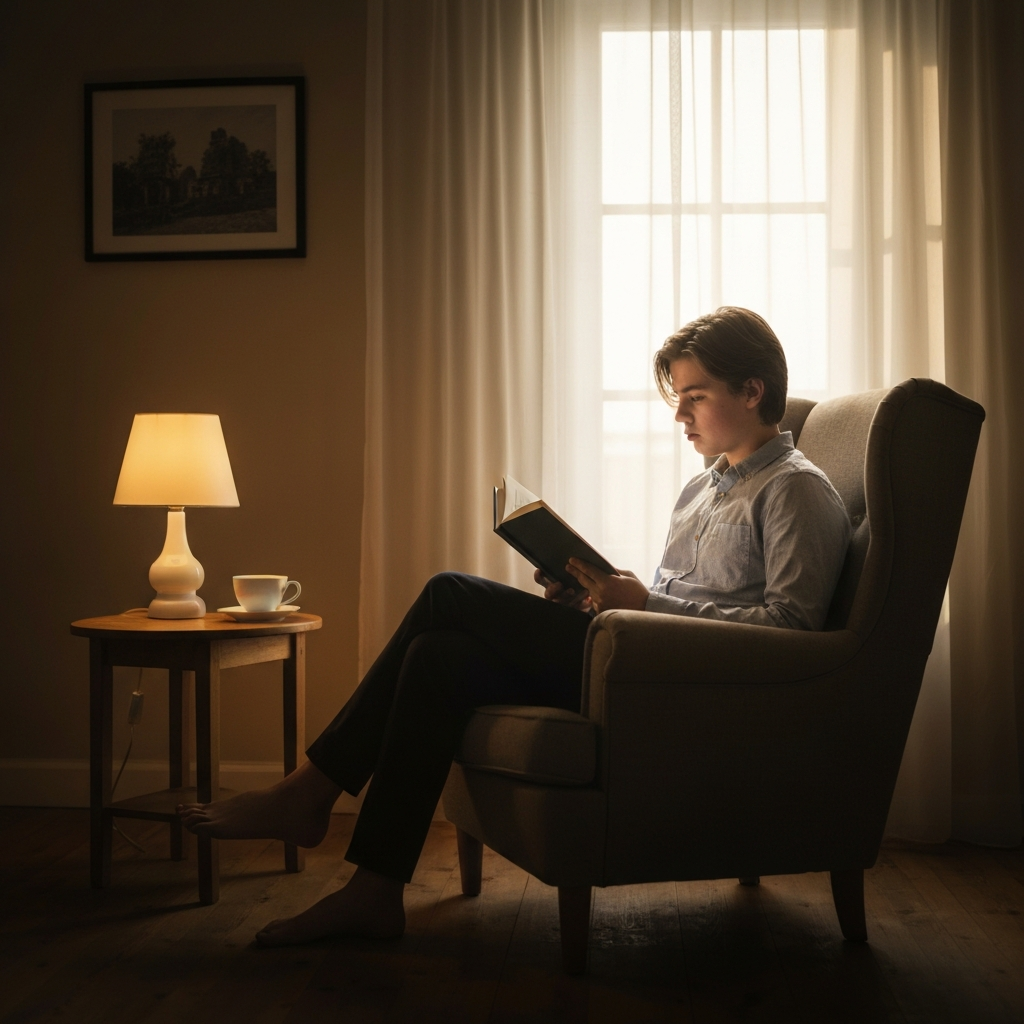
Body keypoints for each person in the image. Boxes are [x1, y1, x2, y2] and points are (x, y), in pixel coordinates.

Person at [177, 306, 850, 946]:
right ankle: (374, 891)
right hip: (633, 658)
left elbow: (790, 631)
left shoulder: (795, 489)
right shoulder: (702, 488)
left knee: (449, 593)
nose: (678, 414)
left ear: (752, 390)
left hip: (679, 688)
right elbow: (677, 600)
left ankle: (309, 790)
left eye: (694, 396)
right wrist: (590, 596)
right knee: (439, 656)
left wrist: (643, 607)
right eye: (677, 396)